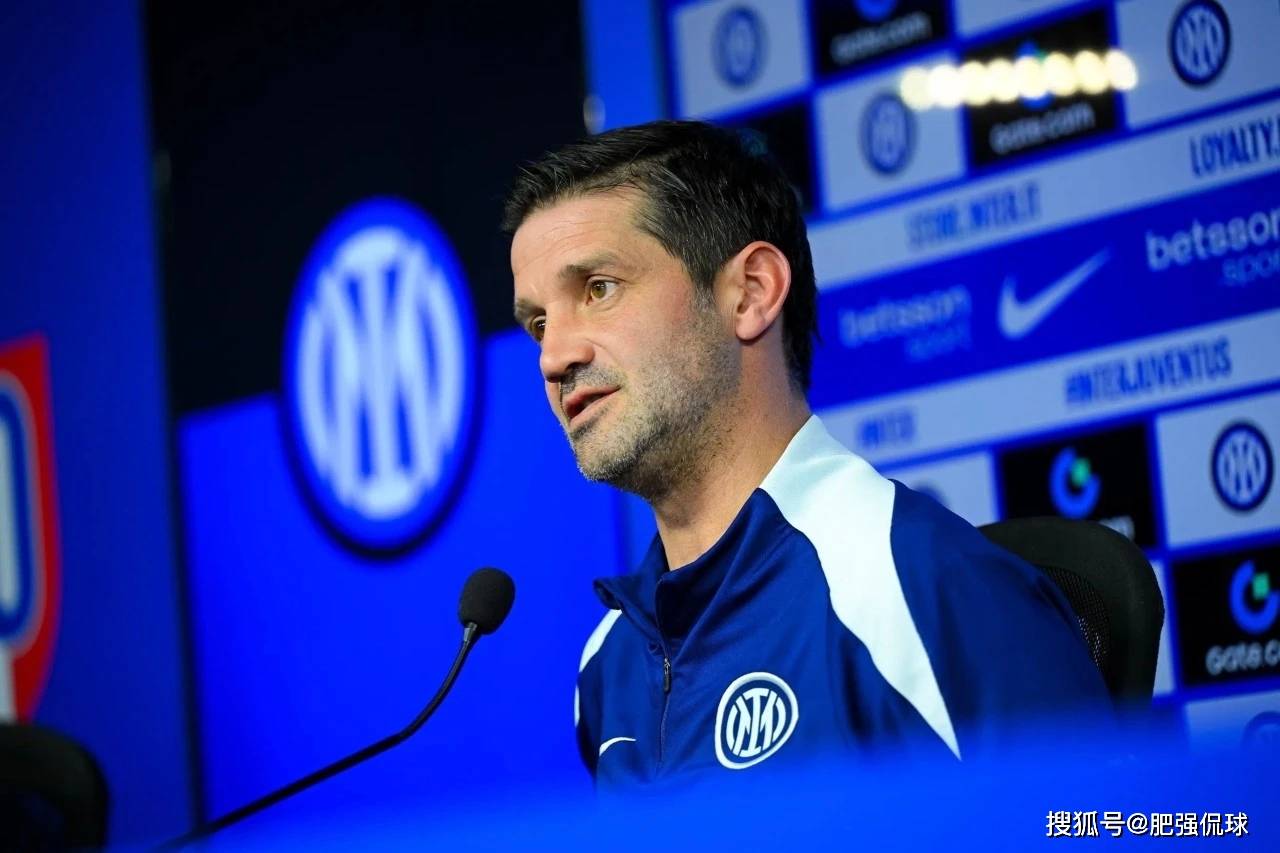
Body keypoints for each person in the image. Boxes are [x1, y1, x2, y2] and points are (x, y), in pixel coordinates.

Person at [503, 120, 1110, 788]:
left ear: (751, 292)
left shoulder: (912, 584)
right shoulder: (608, 663)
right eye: (538, 323)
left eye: (599, 288)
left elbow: (1103, 824)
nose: (553, 357)